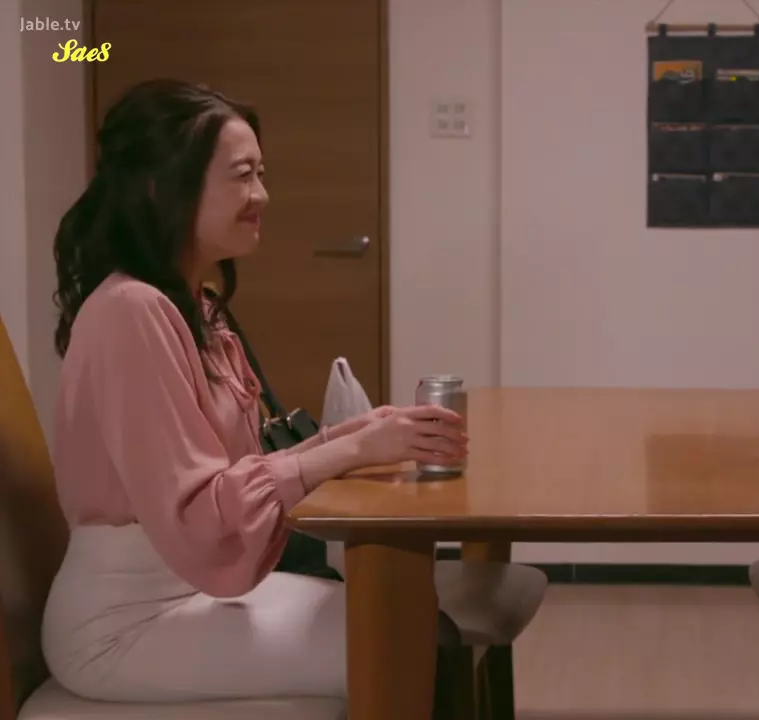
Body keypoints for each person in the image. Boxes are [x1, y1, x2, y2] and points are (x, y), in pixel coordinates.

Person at [42, 78, 469, 703]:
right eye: (243, 175)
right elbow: (198, 514)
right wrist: (351, 449)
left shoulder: (192, 307)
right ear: (163, 186)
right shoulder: (130, 312)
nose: (262, 195)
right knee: (410, 638)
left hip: (188, 589)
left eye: (261, 174)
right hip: (124, 625)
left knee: (415, 621)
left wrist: (364, 434)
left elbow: (234, 479)